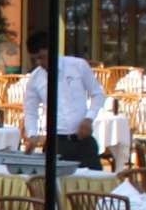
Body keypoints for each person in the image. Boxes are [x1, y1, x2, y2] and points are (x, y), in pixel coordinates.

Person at [21, 30, 105, 165]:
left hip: (83, 141)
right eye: (34, 59)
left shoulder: (78, 66)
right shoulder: (35, 78)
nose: (39, 62)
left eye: (42, 57)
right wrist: (32, 134)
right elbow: (30, 110)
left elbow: (98, 94)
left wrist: (89, 118)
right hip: (56, 143)